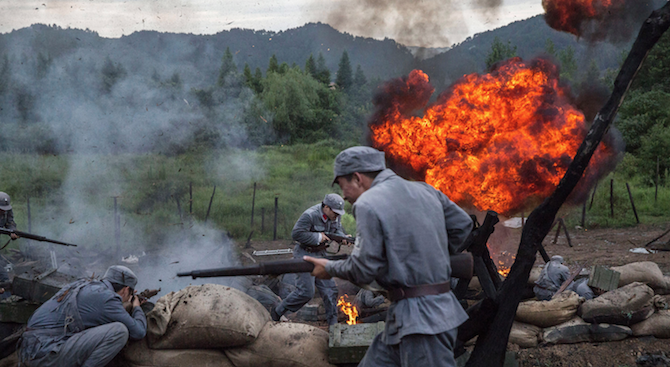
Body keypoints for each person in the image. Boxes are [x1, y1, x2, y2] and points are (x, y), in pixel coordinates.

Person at [305, 146, 473, 367]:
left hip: (423, 321)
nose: (343, 195)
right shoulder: (426, 190)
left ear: (357, 178)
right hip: (408, 317)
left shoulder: (368, 203)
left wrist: (329, 268)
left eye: (341, 185)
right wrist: (428, 256)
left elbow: (362, 269)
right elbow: (463, 225)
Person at [18, 265, 147, 367]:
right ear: (125, 290)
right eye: (130, 292)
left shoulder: (84, 284)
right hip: (45, 354)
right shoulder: (108, 298)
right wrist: (136, 307)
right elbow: (139, 332)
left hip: (30, 350)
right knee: (119, 331)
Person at [271, 193, 351, 325]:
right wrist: (318, 237)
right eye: (335, 212)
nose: (337, 215)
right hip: (305, 254)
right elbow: (296, 234)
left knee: (330, 290)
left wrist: (343, 238)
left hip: (321, 254)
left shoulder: (336, 216)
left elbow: (336, 230)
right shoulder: (310, 215)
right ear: (326, 207)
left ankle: (333, 326)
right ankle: (278, 311)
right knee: (306, 292)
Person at [0, 191, 18, 295]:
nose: (2, 211)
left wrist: (12, 231)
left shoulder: (7, 210)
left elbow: (10, 222)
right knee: (3, 276)